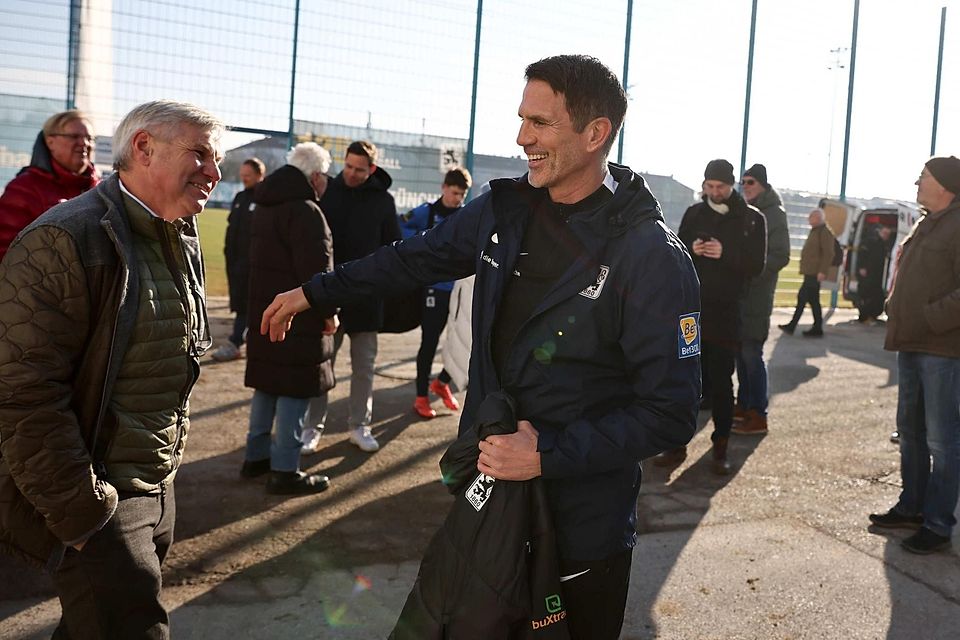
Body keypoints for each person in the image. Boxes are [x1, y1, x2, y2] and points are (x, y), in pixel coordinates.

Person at [262, 54, 701, 639]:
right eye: (522, 119)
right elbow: (411, 260)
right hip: (485, 502)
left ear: (596, 133)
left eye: (540, 123)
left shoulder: (650, 257)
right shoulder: (504, 210)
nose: (522, 138)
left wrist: (548, 454)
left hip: (579, 534)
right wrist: (318, 292)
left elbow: (670, 414)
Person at [0, 100, 223, 639]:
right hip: (101, 498)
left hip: (156, 486)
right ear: (143, 147)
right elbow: (23, 395)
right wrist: (86, 515)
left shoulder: (179, 233)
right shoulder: (64, 238)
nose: (216, 174)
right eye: (200, 155)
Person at [869, 155, 960, 555]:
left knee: (942, 441)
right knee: (911, 433)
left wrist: (928, 318)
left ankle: (938, 524)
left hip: (941, 348)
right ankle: (912, 508)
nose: (916, 183)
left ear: (945, 186)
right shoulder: (927, 222)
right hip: (910, 342)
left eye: (923, 178)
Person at [241, 143, 337, 494]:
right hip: (298, 316)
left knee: (267, 384)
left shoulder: (265, 205)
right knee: (296, 388)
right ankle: (285, 469)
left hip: (264, 311)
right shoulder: (307, 211)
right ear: (314, 176)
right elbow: (318, 274)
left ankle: (256, 458)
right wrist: (329, 313)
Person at [299, 140, 401, 454]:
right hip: (329, 294)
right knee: (322, 365)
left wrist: (380, 285)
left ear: (371, 169)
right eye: (349, 167)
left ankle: (359, 426)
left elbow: (392, 246)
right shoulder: (327, 191)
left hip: (367, 297)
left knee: (364, 367)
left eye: (360, 169)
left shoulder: (383, 201)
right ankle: (310, 428)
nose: (353, 174)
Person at [667, 159, 766, 474]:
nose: (714, 192)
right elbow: (677, 252)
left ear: (731, 184)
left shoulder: (752, 219)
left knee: (722, 383)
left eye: (720, 187)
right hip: (691, 313)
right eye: (709, 187)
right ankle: (676, 443)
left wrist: (726, 254)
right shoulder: (695, 213)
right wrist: (691, 249)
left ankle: (720, 446)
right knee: (683, 381)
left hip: (726, 313)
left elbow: (756, 265)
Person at [399, 166, 473, 419]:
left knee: (465, 341)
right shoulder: (426, 212)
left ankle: (441, 383)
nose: (457, 199)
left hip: (460, 290)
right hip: (434, 289)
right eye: (454, 193)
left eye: (462, 194)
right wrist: (425, 239)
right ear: (443, 188)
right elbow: (400, 227)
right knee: (429, 342)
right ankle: (421, 396)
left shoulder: (466, 215)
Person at [732, 163, 790, 436]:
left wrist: (752, 272)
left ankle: (758, 412)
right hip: (740, 293)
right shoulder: (745, 211)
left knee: (751, 353)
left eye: (751, 182)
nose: (745, 186)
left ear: (764, 185)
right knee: (741, 354)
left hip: (756, 294)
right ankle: (744, 406)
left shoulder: (773, 214)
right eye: (743, 182)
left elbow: (780, 255)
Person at [0, 109, 99, 261]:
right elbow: (7, 251)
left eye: (90, 138)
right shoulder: (24, 189)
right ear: (50, 142)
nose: (84, 143)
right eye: (74, 136)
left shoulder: (100, 190)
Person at [212, 157, 266, 361]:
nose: (244, 178)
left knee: (248, 302)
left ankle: (236, 341)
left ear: (260, 175)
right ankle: (244, 339)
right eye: (242, 175)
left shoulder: (265, 199)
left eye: (248, 175)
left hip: (253, 262)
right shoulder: (241, 197)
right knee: (240, 300)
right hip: (235, 260)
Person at [779, 208, 835, 337]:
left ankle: (793, 326)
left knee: (802, 297)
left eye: (812, 216)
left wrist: (822, 271)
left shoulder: (824, 232)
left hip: (815, 273)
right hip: (810, 272)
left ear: (819, 218)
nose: (809, 218)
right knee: (813, 300)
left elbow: (828, 253)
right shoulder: (815, 231)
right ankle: (816, 328)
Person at [855, 224, 893, 324]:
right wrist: (862, 267)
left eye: (888, 234)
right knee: (866, 294)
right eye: (885, 233)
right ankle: (864, 316)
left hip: (877, 274)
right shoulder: (871, 241)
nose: (886, 236)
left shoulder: (884, 244)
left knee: (876, 295)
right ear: (879, 231)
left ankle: (872, 315)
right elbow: (862, 254)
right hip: (868, 273)